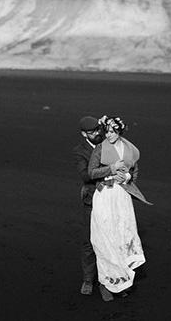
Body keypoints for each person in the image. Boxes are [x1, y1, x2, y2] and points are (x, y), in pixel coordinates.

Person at [88, 115, 151, 299]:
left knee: (122, 235)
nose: (109, 135)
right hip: (105, 195)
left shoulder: (129, 149)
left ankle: (122, 280)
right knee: (104, 237)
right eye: (107, 132)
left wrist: (128, 177)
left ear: (119, 132)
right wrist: (111, 169)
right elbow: (91, 172)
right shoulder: (100, 149)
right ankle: (106, 282)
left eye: (112, 132)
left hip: (122, 196)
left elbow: (134, 170)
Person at [72, 115, 125, 302]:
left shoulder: (107, 141)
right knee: (89, 241)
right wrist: (111, 169)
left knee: (111, 241)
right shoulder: (80, 151)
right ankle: (88, 279)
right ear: (83, 134)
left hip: (112, 198)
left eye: (97, 129)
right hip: (92, 200)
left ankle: (107, 282)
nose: (96, 133)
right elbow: (86, 176)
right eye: (92, 132)